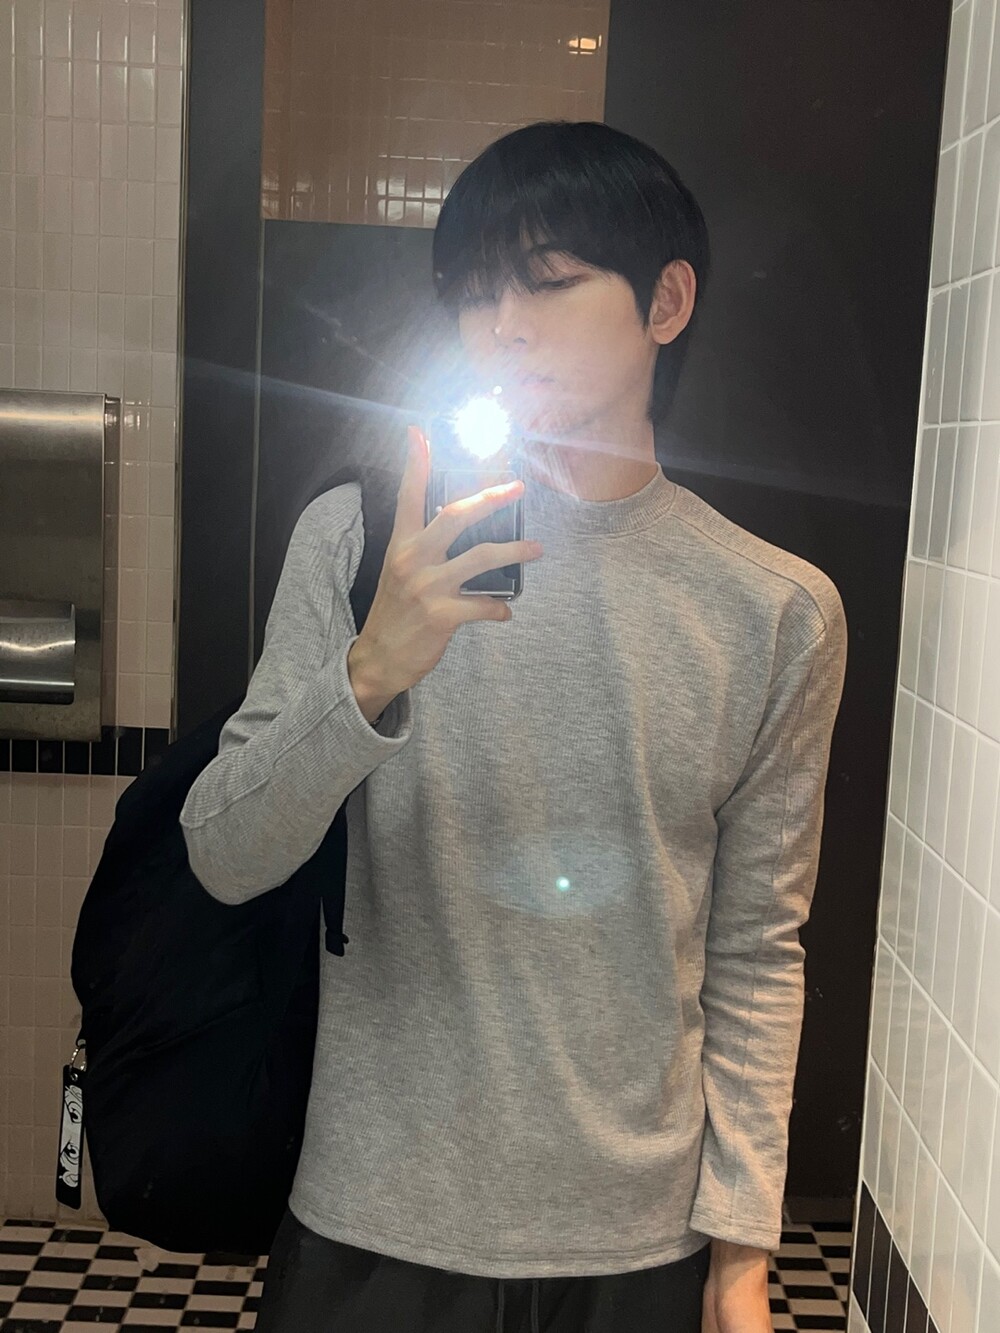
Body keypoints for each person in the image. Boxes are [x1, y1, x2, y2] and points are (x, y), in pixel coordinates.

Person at [179, 120, 848, 1332]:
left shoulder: (774, 611)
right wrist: (372, 672)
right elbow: (223, 852)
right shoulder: (361, 541)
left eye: (547, 282)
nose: (504, 326)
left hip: (635, 1243)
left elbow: (758, 948)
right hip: (375, 1222)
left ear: (666, 301)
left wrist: (741, 1256)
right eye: (477, 294)